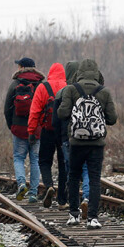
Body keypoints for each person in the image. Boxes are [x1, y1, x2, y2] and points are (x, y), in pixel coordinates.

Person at [57, 58, 117, 229]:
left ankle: (74, 215)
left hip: (76, 142)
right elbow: (112, 119)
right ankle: (92, 218)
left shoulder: (71, 89)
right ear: (97, 73)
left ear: (79, 73)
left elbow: (62, 114)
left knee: (74, 177)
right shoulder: (104, 92)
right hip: (97, 144)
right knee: (94, 179)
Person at [4, 57, 44, 203]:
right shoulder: (41, 85)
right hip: (37, 130)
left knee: (19, 158)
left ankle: (21, 183)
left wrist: (12, 126)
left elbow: (6, 109)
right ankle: (33, 193)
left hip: (18, 128)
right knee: (35, 160)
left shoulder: (15, 84)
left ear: (21, 67)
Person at [27, 62, 67, 208]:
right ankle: (63, 200)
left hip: (47, 130)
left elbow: (35, 111)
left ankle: (49, 185)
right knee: (63, 164)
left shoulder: (43, 87)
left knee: (44, 161)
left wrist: (32, 131)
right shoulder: (68, 86)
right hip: (63, 132)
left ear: (50, 73)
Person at [54, 61, 90, 212]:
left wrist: (59, 138)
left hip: (68, 138)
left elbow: (56, 120)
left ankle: (72, 203)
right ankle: (87, 197)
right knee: (87, 169)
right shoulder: (89, 91)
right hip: (87, 136)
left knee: (72, 171)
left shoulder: (63, 92)